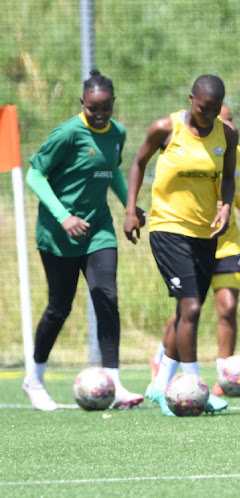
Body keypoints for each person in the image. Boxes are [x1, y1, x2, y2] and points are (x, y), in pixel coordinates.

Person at [23, 70, 144, 411]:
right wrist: (64, 217)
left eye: (106, 108)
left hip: (99, 230)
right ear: (82, 104)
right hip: (58, 234)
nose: (100, 115)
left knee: (107, 298)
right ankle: (35, 379)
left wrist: (130, 207)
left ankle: (115, 383)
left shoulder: (117, 133)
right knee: (59, 307)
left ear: (113, 104)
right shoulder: (67, 134)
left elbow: (111, 173)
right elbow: (35, 174)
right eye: (93, 109)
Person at [124, 75, 238, 416]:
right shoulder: (165, 128)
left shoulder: (227, 133)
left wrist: (226, 205)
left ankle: (160, 387)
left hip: (205, 233)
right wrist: (131, 210)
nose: (210, 114)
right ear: (191, 99)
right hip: (168, 228)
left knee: (184, 313)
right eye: (204, 108)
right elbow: (138, 163)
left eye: (216, 109)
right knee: (190, 309)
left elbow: (229, 176)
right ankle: (195, 388)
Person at [149, 104, 240, 397]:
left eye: (230, 120)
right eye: (221, 119)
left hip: (226, 240)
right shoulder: (184, 139)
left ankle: (225, 375)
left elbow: (227, 186)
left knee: (227, 307)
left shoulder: (233, 147)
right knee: (188, 309)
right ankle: (165, 366)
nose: (225, 124)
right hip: (188, 235)